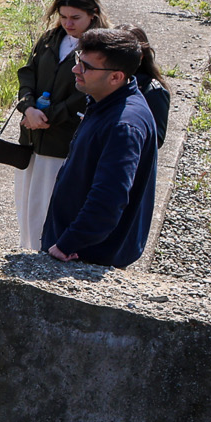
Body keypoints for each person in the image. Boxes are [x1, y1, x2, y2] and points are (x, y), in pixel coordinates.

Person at [42, 28, 160, 268]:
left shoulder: (123, 125)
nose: (76, 69)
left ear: (116, 77)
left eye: (86, 66)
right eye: (78, 60)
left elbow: (109, 198)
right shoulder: (105, 103)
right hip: (79, 250)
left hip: (84, 257)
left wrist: (67, 244)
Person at [12, 0, 109, 251]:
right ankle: (29, 252)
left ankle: (45, 256)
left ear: (93, 14)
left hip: (63, 142)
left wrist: (45, 116)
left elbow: (87, 92)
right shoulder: (49, 39)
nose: (67, 23)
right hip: (32, 137)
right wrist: (28, 107)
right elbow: (27, 74)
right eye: (63, 16)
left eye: (75, 18)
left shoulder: (101, 48)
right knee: (27, 203)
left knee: (50, 206)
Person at [118, 24, 172, 147]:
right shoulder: (104, 80)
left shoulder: (153, 91)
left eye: (123, 54)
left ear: (140, 56)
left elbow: (156, 139)